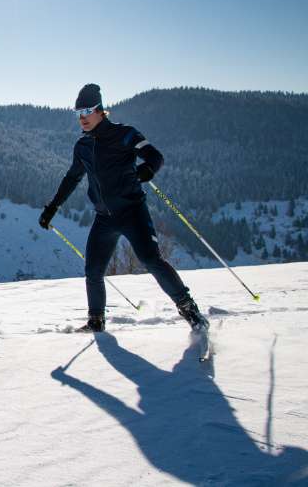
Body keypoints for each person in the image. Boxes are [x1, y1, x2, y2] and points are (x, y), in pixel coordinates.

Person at [38, 83, 208, 333]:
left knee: (151, 260)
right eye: (77, 113)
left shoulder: (125, 134)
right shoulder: (83, 146)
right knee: (93, 271)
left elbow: (155, 156)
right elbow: (72, 178)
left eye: (86, 111)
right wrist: (52, 207)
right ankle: (96, 322)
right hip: (104, 218)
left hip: (132, 212)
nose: (82, 117)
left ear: (100, 110)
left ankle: (190, 310)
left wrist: (147, 169)